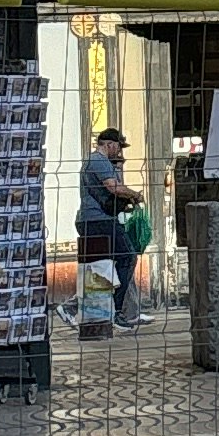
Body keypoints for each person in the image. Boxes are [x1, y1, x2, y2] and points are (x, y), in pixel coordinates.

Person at [76, 124, 146, 334]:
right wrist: (135, 195)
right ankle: (115, 311)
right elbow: (113, 187)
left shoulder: (91, 161)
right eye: (119, 146)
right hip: (100, 221)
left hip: (92, 220)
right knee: (127, 257)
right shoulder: (99, 161)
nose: (120, 151)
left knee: (102, 267)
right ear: (110, 144)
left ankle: (104, 311)